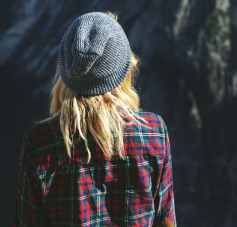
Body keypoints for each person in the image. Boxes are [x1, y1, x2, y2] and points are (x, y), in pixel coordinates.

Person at [14, 12, 176, 227]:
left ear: (65, 70)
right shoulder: (153, 132)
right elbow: (165, 219)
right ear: (124, 69)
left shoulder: (39, 144)